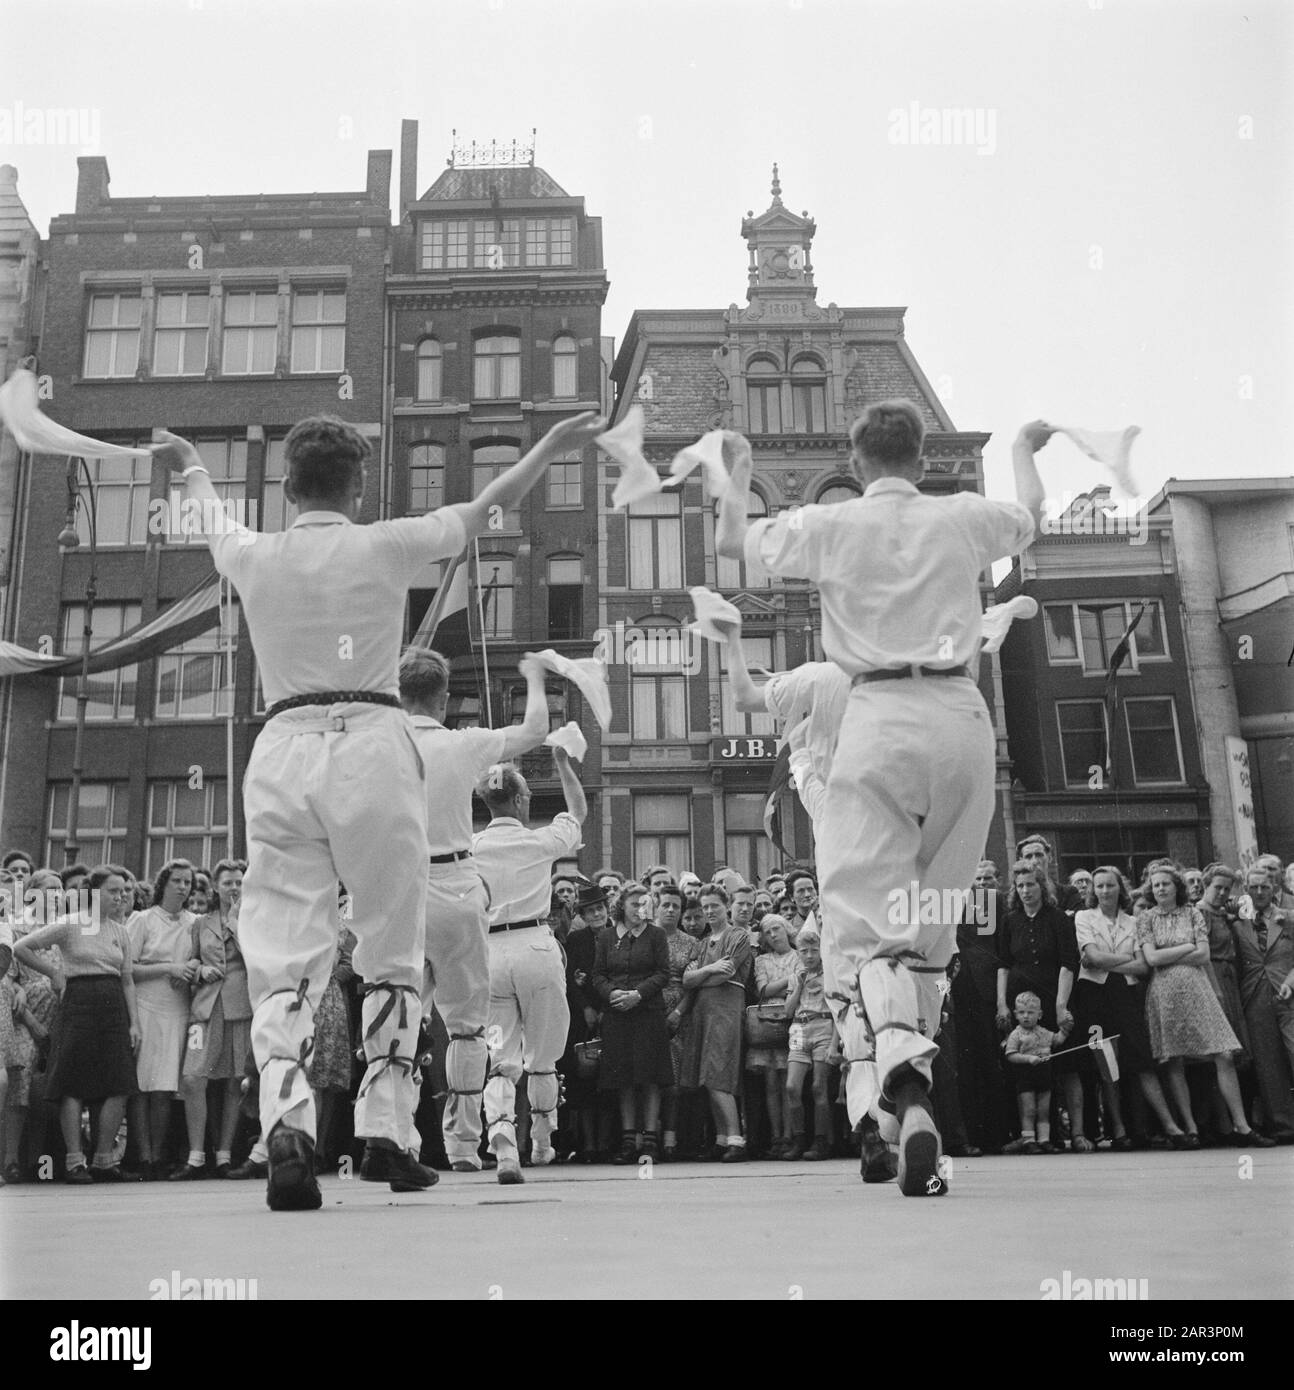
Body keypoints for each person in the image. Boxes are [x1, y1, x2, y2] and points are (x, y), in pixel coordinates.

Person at [151, 408, 602, 1209]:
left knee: (284, 950)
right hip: (371, 739)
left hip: (285, 741)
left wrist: (188, 458)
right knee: (392, 944)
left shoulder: (254, 553)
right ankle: (387, 1128)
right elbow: (489, 502)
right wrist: (553, 443)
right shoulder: (387, 542)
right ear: (357, 486)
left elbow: (205, 512)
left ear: (288, 485)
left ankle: (284, 1122)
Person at [717, 403, 1046, 1196]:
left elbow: (733, 543)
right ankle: (905, 1098)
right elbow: (1031, 520)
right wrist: (1028, 448)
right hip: (965, 721)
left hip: (881, 720)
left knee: (868, 931)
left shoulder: (831, 527)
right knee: (933, 924)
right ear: (923, 455)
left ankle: (903, 1092)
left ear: (855, 463)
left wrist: (734, 465)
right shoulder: (961, 516)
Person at [399, 645, 552, 1175]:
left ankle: (395, 1139)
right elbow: (534, 729)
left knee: (398, 1015)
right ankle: (463, 1144)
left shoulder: (378, 743)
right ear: (443, 699)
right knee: (466, 1027)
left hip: (399, 887)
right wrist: (532, 674)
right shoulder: (461, 744)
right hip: (456, 885)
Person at [472, 750, 586, 1183]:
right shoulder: (540, 841)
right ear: (520, 803)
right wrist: (561, 761)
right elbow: (578, 811)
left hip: (491, 956)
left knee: (501, 1055)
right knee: (543, 1055)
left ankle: (502, 1139)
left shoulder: (471, 846)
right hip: (535, 950)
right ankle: (542, 1138)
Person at [14, 866, 141, 1183]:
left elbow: (127, 980)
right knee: (72, 1080)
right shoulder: (71, 924)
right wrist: (53, 972)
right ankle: (74, 1161)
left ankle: (103, 1159)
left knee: (119, 1081)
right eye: (113, 891)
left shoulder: (120, 931)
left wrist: (135, 1023)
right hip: (78, 1001)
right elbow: (21, 948)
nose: (121, 896)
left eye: (124, 891)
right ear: (94, 893)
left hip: (113, 1005)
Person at [1137, 865, 1273, 1148]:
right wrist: (1186, 948)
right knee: (1173, 1059)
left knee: (1223, 1054)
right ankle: (1190, 1127)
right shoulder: (1146, 918)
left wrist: (1175, 954)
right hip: (1165, 993)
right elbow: (1151, 959)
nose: (1161, 888)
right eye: (1156, 884)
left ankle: (1242, 1125)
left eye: (1166, 884)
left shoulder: (1192, 913)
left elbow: (1204, 954)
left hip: (1199, 989)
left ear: (1177, 887)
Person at [1071, 866, 1184, 1149]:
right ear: (1093, 890)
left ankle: (1171, 1126)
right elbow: (1092, 957)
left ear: (1120, 888)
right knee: (1108, 1064)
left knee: (1141, 1059)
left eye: (1110, 885)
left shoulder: (1133, 922)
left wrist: (1103, 961)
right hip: (1094, 994)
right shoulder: (1084, 917)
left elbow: (1143, 966)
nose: (1105, 891)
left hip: (1126, 993)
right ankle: (1119, 1130)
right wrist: (1121, 961)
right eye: (1099, 886)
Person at [995, 861, 1087, 1153]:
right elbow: (1003, 965)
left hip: (1054, 997)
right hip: (1021, 1004)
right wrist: (1002, 1004)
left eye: (1030, 884)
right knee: (1026, 1070)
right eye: (1020, 885)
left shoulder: (1058, 918)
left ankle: (1077, 1133)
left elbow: (1069, 963)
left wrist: (1061, 1005)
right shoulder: (1010, 920)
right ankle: (1032, 1137)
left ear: (1042, 886)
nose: (1025, 891)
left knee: (1067, 1067)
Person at [174, 860, 251, 1179]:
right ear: (216, 887)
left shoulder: (252, 919)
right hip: (205, 1007)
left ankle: (223, 1154)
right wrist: (199, 969)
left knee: (236, 1080)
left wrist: (236, 921)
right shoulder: (200, 923)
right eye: (228, 882)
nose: (234, 887)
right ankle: (195, 1155)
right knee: (193, 1077)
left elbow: (255, 957)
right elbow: (190, 959)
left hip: (240, 1006)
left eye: (239, 882)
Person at [591, 884, 672, 1162]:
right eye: (634, 904)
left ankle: (650, 1140)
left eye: (645, 904)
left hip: (647, 1012)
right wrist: (612, 993)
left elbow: (663, 973)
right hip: (617, 1014)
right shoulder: (605, 937)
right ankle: (628, 1140)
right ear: (622, 906)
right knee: (623, 1077)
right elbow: (598, 975)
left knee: (650, 1077)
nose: (640, 909)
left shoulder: (657, 935)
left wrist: (638, 994)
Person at [129, 860, 198, 1179]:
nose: (183, 887)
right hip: (145, 1004)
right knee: (143, 1084)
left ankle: (159, 1155)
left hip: (178, 1006)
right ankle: (143, 1156)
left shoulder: (195, 923)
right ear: (163, 884)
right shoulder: (143, 919)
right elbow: (127, 970)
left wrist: (189, 971)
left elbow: (202, 960)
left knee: (165, 1086)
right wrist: (168, 968)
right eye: (177, 881)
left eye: (188, 882)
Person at [678, 883, 753, 1161]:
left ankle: (736, 1139)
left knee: (719, 1071)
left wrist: (700, 976)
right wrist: (709, 968)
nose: (710, 911)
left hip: (726, 1007)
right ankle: (722, 1139)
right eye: (705, 906)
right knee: (706, 1076)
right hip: (702, 1010)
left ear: (727, 906)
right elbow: (687, 979)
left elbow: (727, 973)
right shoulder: (701, 943)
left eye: (715, 906)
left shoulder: (738, 936)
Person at [1231, 865, 1294, 1141]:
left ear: (1276, 890)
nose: (1259, 892)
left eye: (1265, 887)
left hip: (1288, 992)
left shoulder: (1290, 918)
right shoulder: (1238, 924)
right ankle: (1284, 1126)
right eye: (1254, 887)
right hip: (1255, 996)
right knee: (1269, 1065)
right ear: (1246, 889)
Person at [783, 926, 838, 1161]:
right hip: (798, 1027)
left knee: (818, 1086)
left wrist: (835, 1043)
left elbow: (838, 1012)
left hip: (823, 1027)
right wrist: (798, 987)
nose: (809, 955)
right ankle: (799, 1138)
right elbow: (787, 1010)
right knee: (792, 1087)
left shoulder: (831, 976)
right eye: (803, 951)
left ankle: (821, 1140)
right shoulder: (797, 976)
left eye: (814, 950)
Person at [749, 913, 798, 1157]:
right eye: (767, 932)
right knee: (770, 1083)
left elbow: (799, 986)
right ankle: (776, 1136)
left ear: (787, 929)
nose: (773, 935)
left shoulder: (798, 956)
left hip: (791, 1019)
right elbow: (763, 990)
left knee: (787, 1082)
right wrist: (789, 980)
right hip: (767, 1022)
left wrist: (780, 985)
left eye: (777, 928)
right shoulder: (762, 960)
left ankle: (789, 1135)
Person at [1003, 991, 1066, 1153]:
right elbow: (1010, 1054)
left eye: (1030, 1013)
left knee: (1044, 1110)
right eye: (1022, 1012)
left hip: (1044, 1076)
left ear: (1039, 1014)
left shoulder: (1044, 1032)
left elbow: (1057, 1040)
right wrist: (1028, 1059)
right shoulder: (1016, 1035)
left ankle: (1044, 1140)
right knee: (1029, 1109)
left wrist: (1065, 1030)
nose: (1026, 1016)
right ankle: (1029, 1140)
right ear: (1016, 1014)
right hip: (1026, 1077)